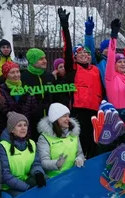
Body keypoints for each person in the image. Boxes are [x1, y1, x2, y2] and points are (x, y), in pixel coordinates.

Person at [58, 8, 103, 158]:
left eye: (85, 53)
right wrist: (65, 27)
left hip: (95, 111)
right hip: (79, 110)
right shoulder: (73, 69)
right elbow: (67, 49)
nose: (83, 55)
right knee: (80, 142)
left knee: (94, 141)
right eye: (79, 54)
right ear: (75, 58)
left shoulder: (95, 70)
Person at [0, 112, 46, 197]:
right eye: (19, 125)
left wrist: (38, 173)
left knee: (46, 182)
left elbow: (36, 163)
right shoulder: (3, 147)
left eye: (25, 125)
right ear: (12, 129)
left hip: (26, 180)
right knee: (26, 197)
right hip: (9, 186)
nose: (23, 128)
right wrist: (26, 187)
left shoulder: (31, 143)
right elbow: (5, 175)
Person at [37, 103, 85, 178]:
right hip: (54, 180)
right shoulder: (44, 138)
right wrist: (56, 164)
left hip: (73, 176)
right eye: (64, 116)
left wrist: (79, 159)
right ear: (56, 119)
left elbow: (80, 153)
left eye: (68, 116)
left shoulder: (73, 134)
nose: (68, 119)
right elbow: (43, 162)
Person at [0, 61, 37, 138]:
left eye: (18, 72)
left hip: (25, 129)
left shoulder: (27, 89)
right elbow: (3, 110)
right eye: (12, 72)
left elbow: (33, 107)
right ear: (6, 75)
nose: (16, 75)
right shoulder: (1, 90)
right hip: (8, 130)